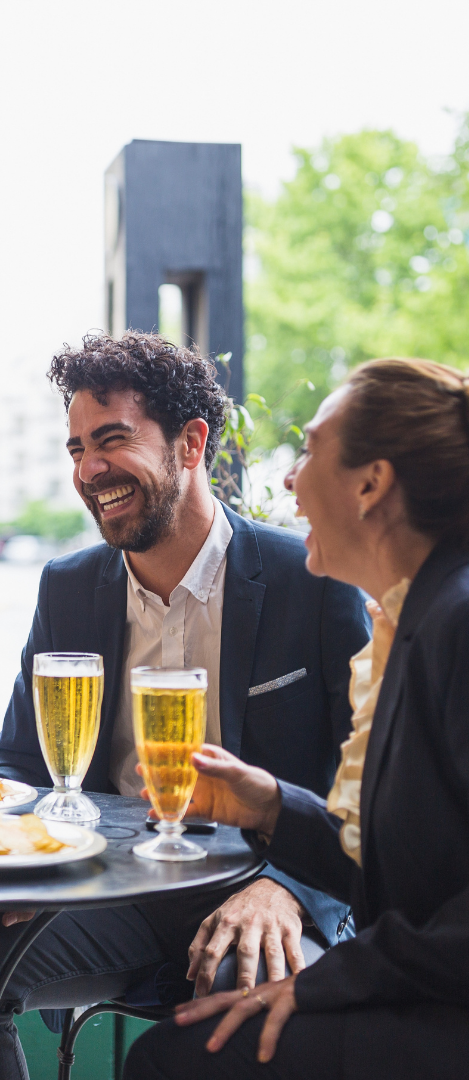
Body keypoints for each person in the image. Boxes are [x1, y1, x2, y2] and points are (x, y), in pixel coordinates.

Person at [0, 331, 371, 1080]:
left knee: (238, 1000)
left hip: (262, 882)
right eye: (75, 449)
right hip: (110, 885)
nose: (89, 470)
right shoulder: (68, 585)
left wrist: (284, 889)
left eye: (112, 440)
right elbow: (20, 763)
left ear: (191, 444)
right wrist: (33, 857)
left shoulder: (312, 580)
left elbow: (358, 786)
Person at [124, 357, 469, 1080]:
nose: (286, 480)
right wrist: (273, 806)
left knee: (175, 1061)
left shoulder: (458, 623)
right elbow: (398, 860)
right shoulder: (415, 618)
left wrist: (326, 983)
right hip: (424, 988)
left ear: (371, 485)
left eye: (308, 451)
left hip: (443, 1011)